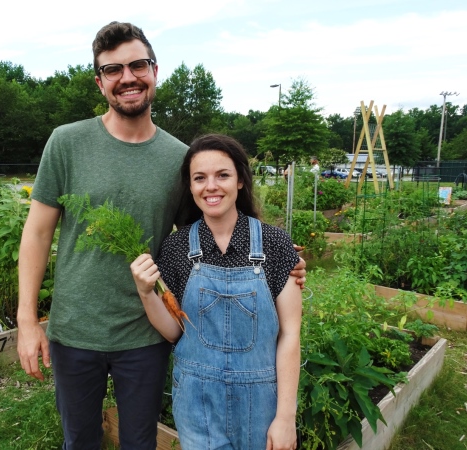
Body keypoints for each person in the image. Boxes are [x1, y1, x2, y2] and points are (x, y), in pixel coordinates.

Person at [17, 22, 306, 450]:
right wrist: (27, 320)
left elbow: (207, 231)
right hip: (75, 329)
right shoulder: (67, 142)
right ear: (100, 82)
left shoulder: (178, 157)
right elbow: (38, 233)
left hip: (146, 334)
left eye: (137, 65)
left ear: (155, 71)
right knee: (79, 441)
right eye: (113, 70)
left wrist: (282, 264)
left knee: (139, 441)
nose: (127, 77)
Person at [130, 134, 302, 450]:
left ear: (239, 180)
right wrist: (146, 292)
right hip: (196, 402)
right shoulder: (177, 247)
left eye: (222, 175)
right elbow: (173, 332)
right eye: (200, 178)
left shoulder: (275, 245)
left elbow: (290, 334)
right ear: (190, 186)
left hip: (260, 405)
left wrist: (285, 418)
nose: (211, 186)